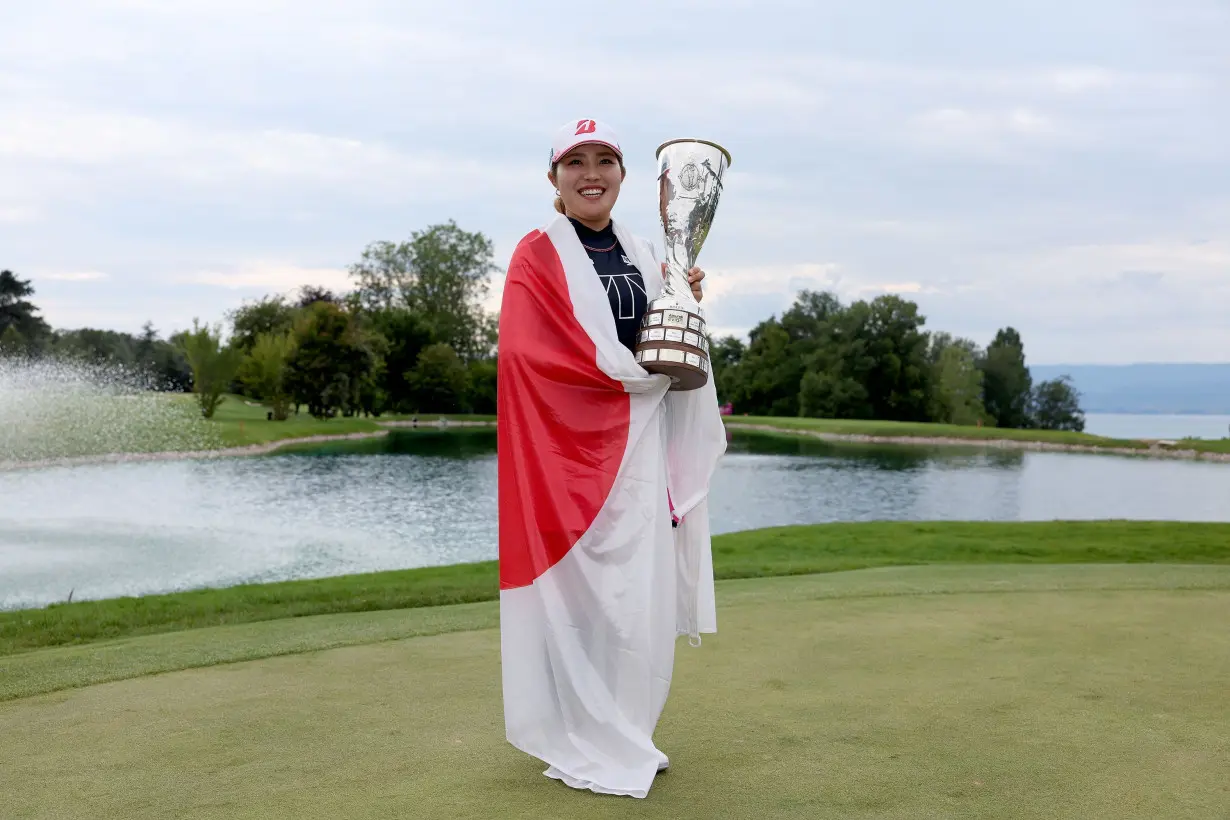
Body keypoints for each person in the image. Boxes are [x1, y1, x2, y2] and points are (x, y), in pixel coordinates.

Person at [496, 118, 728, 799]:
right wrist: (625, 379)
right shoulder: (535, 254)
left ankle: (627, 730)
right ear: (554, 179)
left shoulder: (643, 251)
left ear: (625, 178)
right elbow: (527, 356)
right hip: (568, 458)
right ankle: (582, 734)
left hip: (641, 451)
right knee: (586, 598)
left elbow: (659, 341)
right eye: (576, 162)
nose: (590, 173)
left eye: (605, 161)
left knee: (637, 597)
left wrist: (681, 299)